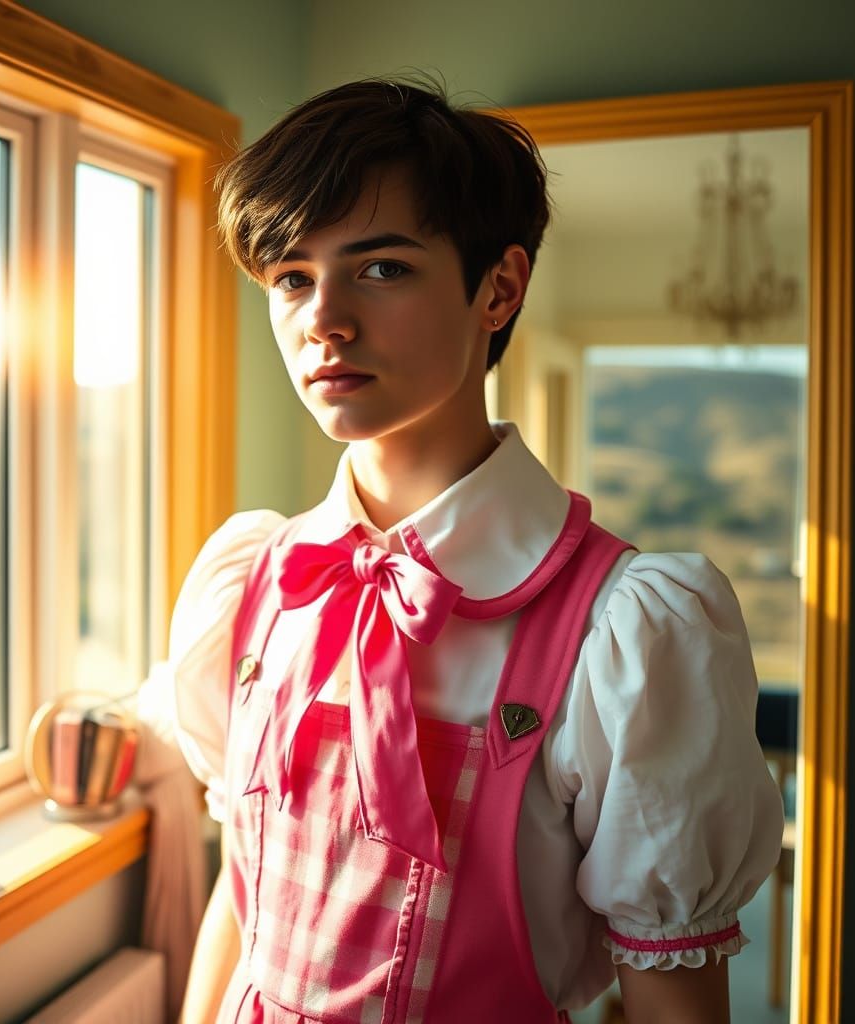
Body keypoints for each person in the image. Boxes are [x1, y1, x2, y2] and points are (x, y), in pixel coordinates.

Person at [171, 77, 783, 1024]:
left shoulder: (623, 634)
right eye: (292, 276)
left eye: (381, 268)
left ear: (498, 287)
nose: (323, 318)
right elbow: (240, 903)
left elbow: (673, 999)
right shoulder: (253, 580)